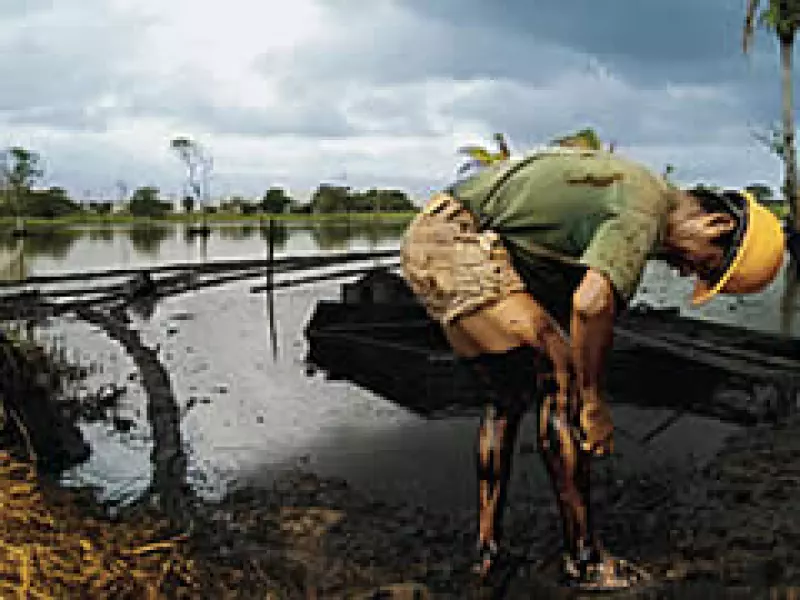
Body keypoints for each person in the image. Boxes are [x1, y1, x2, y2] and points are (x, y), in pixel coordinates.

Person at [398, 146, 785, 591]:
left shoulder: (631, 194)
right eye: (706, 265)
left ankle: (487, 552)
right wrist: (593, 403)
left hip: (439, 237)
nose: (687, 273)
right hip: (455, 239)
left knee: (506, 399)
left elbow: (566, 284)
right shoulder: (648, 206)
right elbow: (591, 304)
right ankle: (584, 561)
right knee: (560, 374)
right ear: (717, 224)